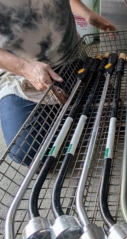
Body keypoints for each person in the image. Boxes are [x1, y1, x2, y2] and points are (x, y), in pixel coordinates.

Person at [0, 0, 116, 166]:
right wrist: (26, 68)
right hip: (21, 75)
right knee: (27, 152)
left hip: (71, 58)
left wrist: (87, 14)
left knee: (113, 111)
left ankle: (63, 112)